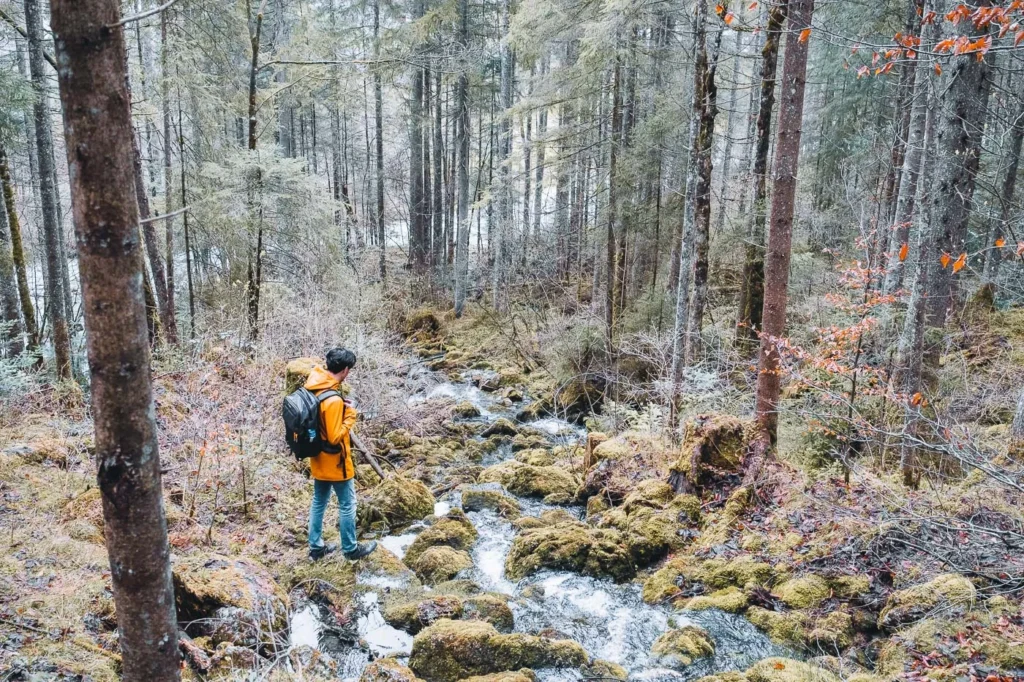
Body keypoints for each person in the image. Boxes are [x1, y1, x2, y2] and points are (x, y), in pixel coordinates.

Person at [305, 347, 377, 561]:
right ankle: (351, 549)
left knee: (319, 501)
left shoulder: (315, 385)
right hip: (336, 462)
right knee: (348, 504)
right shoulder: (334, 400)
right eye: (349, 369)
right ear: (345, 370)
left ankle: (316, 548)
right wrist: (350, 415)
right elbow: (335, 436)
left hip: (317, 457)